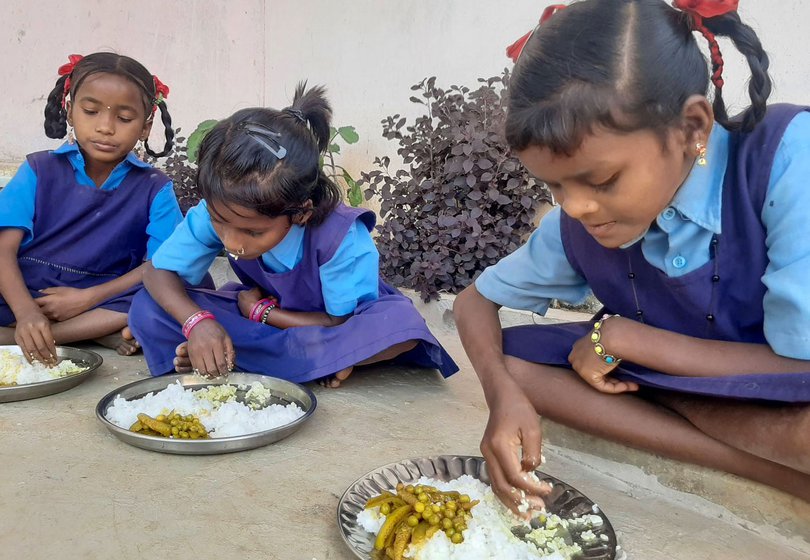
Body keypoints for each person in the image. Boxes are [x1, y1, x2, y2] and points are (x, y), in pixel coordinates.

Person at [454, 0, 810, 513]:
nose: (574, 206)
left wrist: (627, 339)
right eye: (553, 185)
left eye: (602, 180)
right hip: (672, 383)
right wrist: (499, 394)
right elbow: (473, 303)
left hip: (783, 379)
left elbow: (796, 363)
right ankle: (756, 464)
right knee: (513, 366)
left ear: (693, 127)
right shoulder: (578, 221)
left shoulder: (785, 160)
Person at [129, 83, 458, 387]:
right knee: (147, 307)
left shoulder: (341, 237)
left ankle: (237, 358)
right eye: (220, 223)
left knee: (398, 325)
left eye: (252, 232)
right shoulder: (222, 210)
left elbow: (338, 321)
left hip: (327, 324)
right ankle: (314, 362)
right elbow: (158, 272)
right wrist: (197, 323)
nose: (231, 242)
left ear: (301, 212)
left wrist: (262, 313)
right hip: (284, 333)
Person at [0, 52, 184, 361]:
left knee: (178, 287)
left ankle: (29, 337)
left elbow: (160, 264)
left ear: (146, 125)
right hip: (25, 292)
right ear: (70, 111)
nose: (106, 127)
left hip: (102, 296)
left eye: (124, 118)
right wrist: (28, 311)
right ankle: (86, 332)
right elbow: (3, 250)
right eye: (91, 111)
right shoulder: (38, 169)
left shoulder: (155, 187)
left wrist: (87, 299)